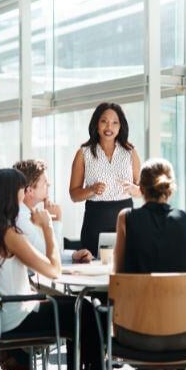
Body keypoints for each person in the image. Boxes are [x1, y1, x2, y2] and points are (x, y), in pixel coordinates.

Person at [0, 168, 102, 370]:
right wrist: (48, 227)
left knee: (76, 308)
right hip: (14, 317)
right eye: (22, 190)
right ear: (11, 195)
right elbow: (53, 270)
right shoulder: (8, 234)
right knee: (84, 310)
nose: (25, 194)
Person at [112, 158, 186, 370]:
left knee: (129, 318)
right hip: (185, 333)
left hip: (137, 333)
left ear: (140, 189)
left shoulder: (126, 217)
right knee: (173, 320)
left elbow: (118, 275)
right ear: (170, 188)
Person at [69, 102, 142, 257]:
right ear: (96, 124)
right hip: (95, 219)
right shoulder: (83, 153)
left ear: (120, 126)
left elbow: (143, 190)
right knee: (92, 265)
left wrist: (135, 189)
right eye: (104, 121)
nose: (109, 127)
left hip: (126, 217)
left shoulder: (130, 152)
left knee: (126, 267)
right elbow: (74, 195)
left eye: (115, 122)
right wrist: (91, 190)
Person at [14, 159, 94, 263]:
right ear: (30, 191)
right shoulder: (21, 219)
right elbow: (50, 257)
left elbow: (47, 251)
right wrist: (56, 222)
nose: (49, 185)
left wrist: (73, 255)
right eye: (45, 183)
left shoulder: (27, 214)